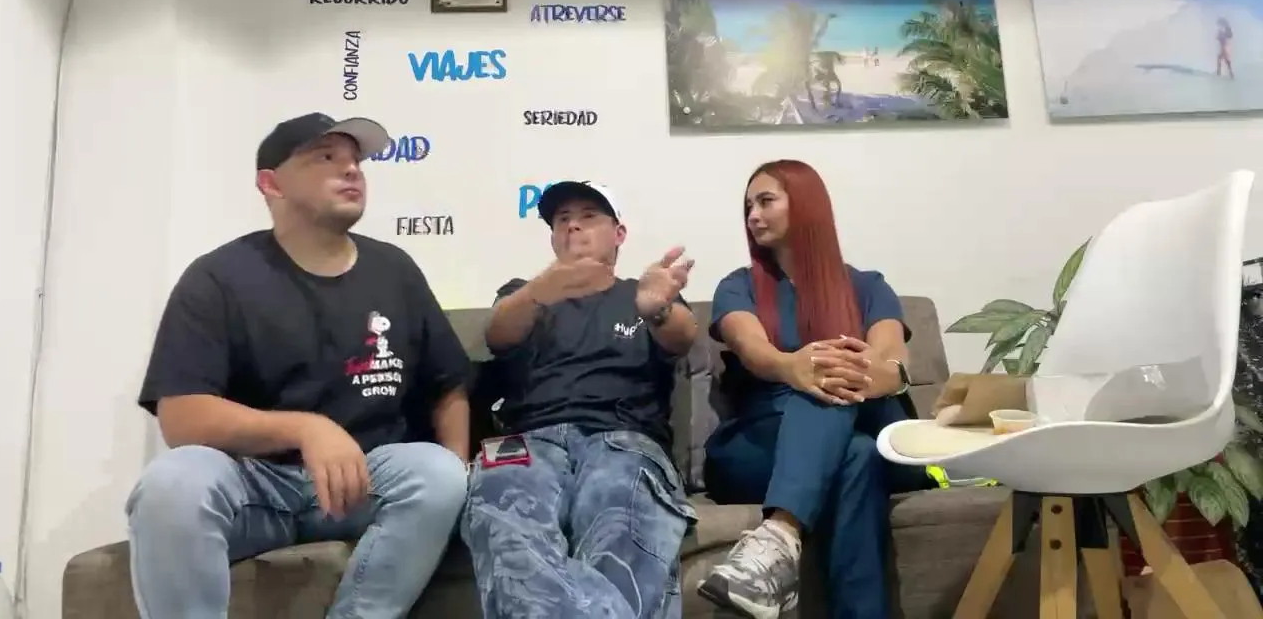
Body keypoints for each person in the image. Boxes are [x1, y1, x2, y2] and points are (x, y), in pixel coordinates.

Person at [126, 113, 471, 619]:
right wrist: (305, 428)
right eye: (325, 158)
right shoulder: (218, 277)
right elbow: (181, 417)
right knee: (171, 485)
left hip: (364, 483)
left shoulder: (394, 269)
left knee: (438, 474)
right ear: (271, 184)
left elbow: (448, 384)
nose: (351, 170)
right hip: (253, 484)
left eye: (355, 161)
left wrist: (460, 477)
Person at [697, 160, 932, 619]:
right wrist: (792, 367)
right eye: (748, 206)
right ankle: (789, 547)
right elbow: (751, 347)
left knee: (836, 391)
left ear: (806, 204)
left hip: (870, 422)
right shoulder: (739, 287)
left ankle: (777, 540)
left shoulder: (867, 287)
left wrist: (860, 374)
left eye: (766, 201)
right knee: (854, 454)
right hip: (760, 444)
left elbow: (892, 360)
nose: (753, 216)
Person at [463, 180, 700, 618]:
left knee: (619, 524)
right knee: (502, 518)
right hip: (524, 440)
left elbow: (683, 337)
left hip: (623, 438)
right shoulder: (524, 293)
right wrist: (539, 290)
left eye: (588, 216)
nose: (573, 226)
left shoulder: (644, 293)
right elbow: (498, 334)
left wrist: (657, 308)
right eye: (562, 219)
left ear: (619, 234)